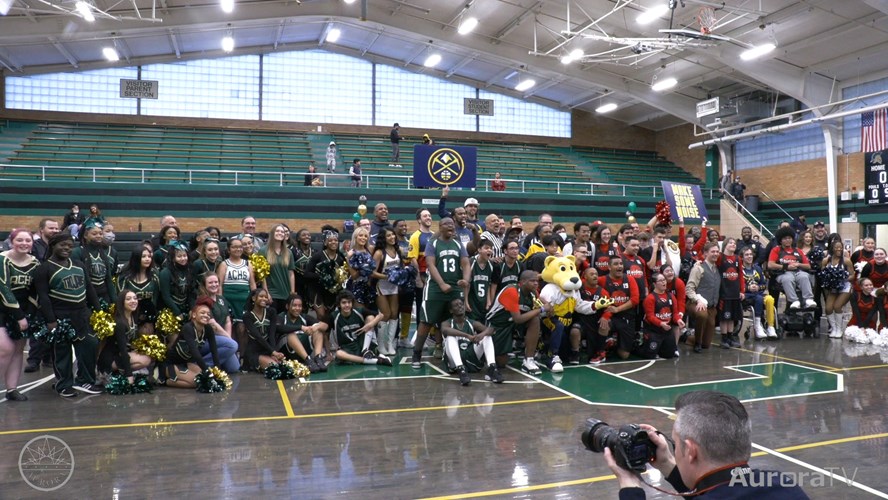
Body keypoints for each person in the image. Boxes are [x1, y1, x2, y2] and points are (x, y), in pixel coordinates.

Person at [604, 390, 808, 499]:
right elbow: (719, 490)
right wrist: (666, 464)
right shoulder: (778, 483)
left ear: (691, 451)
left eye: (675, 444)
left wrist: (631, 488)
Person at [35, 232, 103, 397]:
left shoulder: (79, 264)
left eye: (70, 246)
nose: (67, 248)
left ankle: (84, 380)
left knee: (90, 345)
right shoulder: (44, 268)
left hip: (81, 314)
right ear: (53, 246)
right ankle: (63, 384)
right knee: (62, 352)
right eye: (63, 245)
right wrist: (51, 320)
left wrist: (99, 310)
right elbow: (43, 297)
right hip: (59, 316)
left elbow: (90, 289)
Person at [411, 217, 471, 369]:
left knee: (456, 319)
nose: (451, 225)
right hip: (435, 288)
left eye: (452, 224)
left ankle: (457, 353)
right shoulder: (433, 244)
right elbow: (430, 265)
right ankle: (416, 353)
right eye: (447, 224)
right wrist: (442, 283)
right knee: (426, 321)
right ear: (440, 227)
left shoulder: (458, 244)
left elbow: (465, 263)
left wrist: (465, 280)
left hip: (455, 287)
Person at [0, 229, 39, 400]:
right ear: (11, 242)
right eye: (20, 240)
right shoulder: (2, 259)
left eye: (28, 240)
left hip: (23, 311)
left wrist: (28, 314)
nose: (24, 243)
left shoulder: (35, 263)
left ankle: (12, 389)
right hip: (3, 309)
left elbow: (36, 290)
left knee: (17, 350)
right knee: (5, 348)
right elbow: (3, 288)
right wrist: (19, 316)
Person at [486, 270, 549, 374]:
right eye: (532, 281)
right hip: (497, 325)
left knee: (535, 319)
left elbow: (540, 301)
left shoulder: (533, 292)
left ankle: (529, 360)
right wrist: (542, 309)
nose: (536, 283)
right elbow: (518, 319)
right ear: (523, 282)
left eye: (537, 281)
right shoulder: (512, 291)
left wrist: (548, 307)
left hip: (512, 324)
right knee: (501, 363)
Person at [160, 298, 221, 388]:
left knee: (204, 380)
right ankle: (165, 380)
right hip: (171, 364)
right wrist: (207, 371)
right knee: (197, 382)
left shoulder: (208, 329)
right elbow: (195, 352)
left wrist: (217, 371)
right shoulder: (187, 328)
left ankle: (181, 378)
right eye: (202, 313)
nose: (206, 315)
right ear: (194, 315)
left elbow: (214, 350)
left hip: (187, 363)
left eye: (208, 314)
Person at [441, 298, 502, 385]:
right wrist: (466, 335)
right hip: (454, 363)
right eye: (456, 305)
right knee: (450, 337)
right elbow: (445, 330)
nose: (460, 306)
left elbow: (492, 330)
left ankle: (492, 368)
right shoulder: (446, 323)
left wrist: (482, 334)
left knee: (487, 337)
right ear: (451, 310)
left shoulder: (471, 323)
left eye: (461, 304)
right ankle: (461, 370)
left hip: (471, 358)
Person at [97, 290, 153, 385]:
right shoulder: (119, 322)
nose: (133, 301)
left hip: (120, 354)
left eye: (135, 298)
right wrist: (129, 375)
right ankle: (108, 374)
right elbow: (123, 349)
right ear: (122, 302)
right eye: (128, 299)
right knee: (145, 360)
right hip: (110, 358)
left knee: (147, 356)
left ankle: (119, 373)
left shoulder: (132, 317)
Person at [328, 290, 390, 366]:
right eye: (344, 303)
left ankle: (365, 350)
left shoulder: (359, 311)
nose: (347, 305)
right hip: (348, 347)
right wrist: (328, 353)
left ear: (352, 303)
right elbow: (325, 332)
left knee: (370, 317)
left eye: (349, 302)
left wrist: (370, 325)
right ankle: (375, 361)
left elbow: (381, 315)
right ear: (339, 304)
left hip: (361, 343)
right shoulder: (334, 316)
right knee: (339, 354)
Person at [194, 272, 240, 373]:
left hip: (222, 337)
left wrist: (228, 337)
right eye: (210, 283)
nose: (214, 285)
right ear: (204, 285)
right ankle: (201, 365)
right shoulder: (203, 300)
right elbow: (212, 324)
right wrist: (228, 339)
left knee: (234, 368)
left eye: (216, 282)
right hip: (207, 338)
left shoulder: (221, 299)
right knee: (232, 345)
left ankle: (217, 362)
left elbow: (228, 320)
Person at [599, 255, 641, 360]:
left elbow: (635, 299)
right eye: (616, 264)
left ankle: (614, 343)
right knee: (604, 324)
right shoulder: (603, 280)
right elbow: (586, 282)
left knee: (624, 355)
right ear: (609, 267)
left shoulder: (630, 279)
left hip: (627, 318)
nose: (619, 266)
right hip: (611, 317)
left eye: (621, 264)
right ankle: (600, 351)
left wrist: (618, 309)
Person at [276, 293, 329, 373]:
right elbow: (279, 328)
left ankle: (318, 358)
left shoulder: (304, 317)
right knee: (291, 334)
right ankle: (308, 361)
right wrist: (301, 327)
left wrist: (316, 327)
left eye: (300, 306)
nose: (297, 308)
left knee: (318, 330)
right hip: (286, 352)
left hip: (302, 351)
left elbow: (325, 326)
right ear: (287, 306)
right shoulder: (281, 317)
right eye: (294, 305)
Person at [767, 227, 816, 310]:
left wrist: (798, 264)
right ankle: (794, 300)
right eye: (785, 238)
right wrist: (786, 266)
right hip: (783, 273)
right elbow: (770, 265)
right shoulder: (776, 250)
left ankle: (808, 299)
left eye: (789, 238)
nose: (787, 240)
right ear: (781, 240)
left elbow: (808, 266)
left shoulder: (798, 250)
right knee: (788, 278)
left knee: (804, 276)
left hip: (797, 271)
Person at [372, 227, 403, 355]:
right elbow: (372, 272)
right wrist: (386, 276)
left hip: (394, 286)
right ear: (383, 238)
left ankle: (390, 344)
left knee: (395, 314)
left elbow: (402, 267)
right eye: (389, 235)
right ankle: (381, 345)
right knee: (386, 314)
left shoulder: (398, 250)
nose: (392, 237)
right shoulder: (379, 252)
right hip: (381, 286)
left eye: (393, 235)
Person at [686, 242, 721, 353]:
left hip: (711, 307)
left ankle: (688, 338)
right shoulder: (698, 268)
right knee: (702, 314)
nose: (715, 254)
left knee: (706, 344)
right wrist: (697, 300)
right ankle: (697, 343)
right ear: (705, 253)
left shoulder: (718, 269)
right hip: (695, 303)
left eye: (717, 251)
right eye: (712, 251)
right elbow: (689, 289)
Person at [117, 244, 160, 336]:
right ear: (136, 258)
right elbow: (120, 299)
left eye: (149, 256)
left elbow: (156, 299)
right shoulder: (125, 278)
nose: (147, 259)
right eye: (143, 256)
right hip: (128, 314)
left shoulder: (155, 276)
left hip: (148, 316)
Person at [640, 272, 682, 359]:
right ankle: (638, 345)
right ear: (655, 284)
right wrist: (661, 324)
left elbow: (674, 313)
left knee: (669, 355)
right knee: (650, 355)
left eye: (664, 280)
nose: (664, 282)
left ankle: (661, 347)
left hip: (666, 330)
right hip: (654, 330)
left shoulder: (671, 296)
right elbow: (650, 316)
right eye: (661, 280)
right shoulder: (650, 298)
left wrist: (678, 320)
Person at [741, 247, 776, 339]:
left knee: (770, 299)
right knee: (759, 298)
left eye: (750, 254)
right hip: (746, 296)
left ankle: (770, 326)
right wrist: (748, 287)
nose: (749, 256)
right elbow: (736, 285)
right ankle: (757, 325)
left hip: (758, 294)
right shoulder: (739, 269)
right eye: (747, 255)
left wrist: (758, 287)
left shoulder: (758, 268)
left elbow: (764, 285)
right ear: (742, 257)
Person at [261, 224, 296, 313]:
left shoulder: (289, 253)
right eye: (277, 231)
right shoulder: (263, 251)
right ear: (272, 233)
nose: (280, 233)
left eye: (282, 232)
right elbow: (262, 275)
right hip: (272, 294)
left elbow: (291, 273)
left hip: (286, 294)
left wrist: (292, 292)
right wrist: (266, 293)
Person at [821, 240, 853, 338]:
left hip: (845, 286)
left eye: (840, 247)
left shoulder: (846, 260)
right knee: (828, 308)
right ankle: (834, 328)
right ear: (832, 248)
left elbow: (852, 275)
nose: (839, 249)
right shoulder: (826, 260)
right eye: (836, 247)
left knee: (837, 306)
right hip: (833, 287)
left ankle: (839, 329)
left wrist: (842, 278)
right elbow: (823, 273)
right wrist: (830, 279)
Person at [158, 242, 195, 321]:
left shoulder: (189, 271)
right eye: (179, 256)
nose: (183, 259)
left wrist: (192, 309)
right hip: (168, 310)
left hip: (185, 308)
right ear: (172, 258)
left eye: (185, 256)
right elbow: (165, 296)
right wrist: (177, 312)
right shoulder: (165, 273)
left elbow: (191, 292)